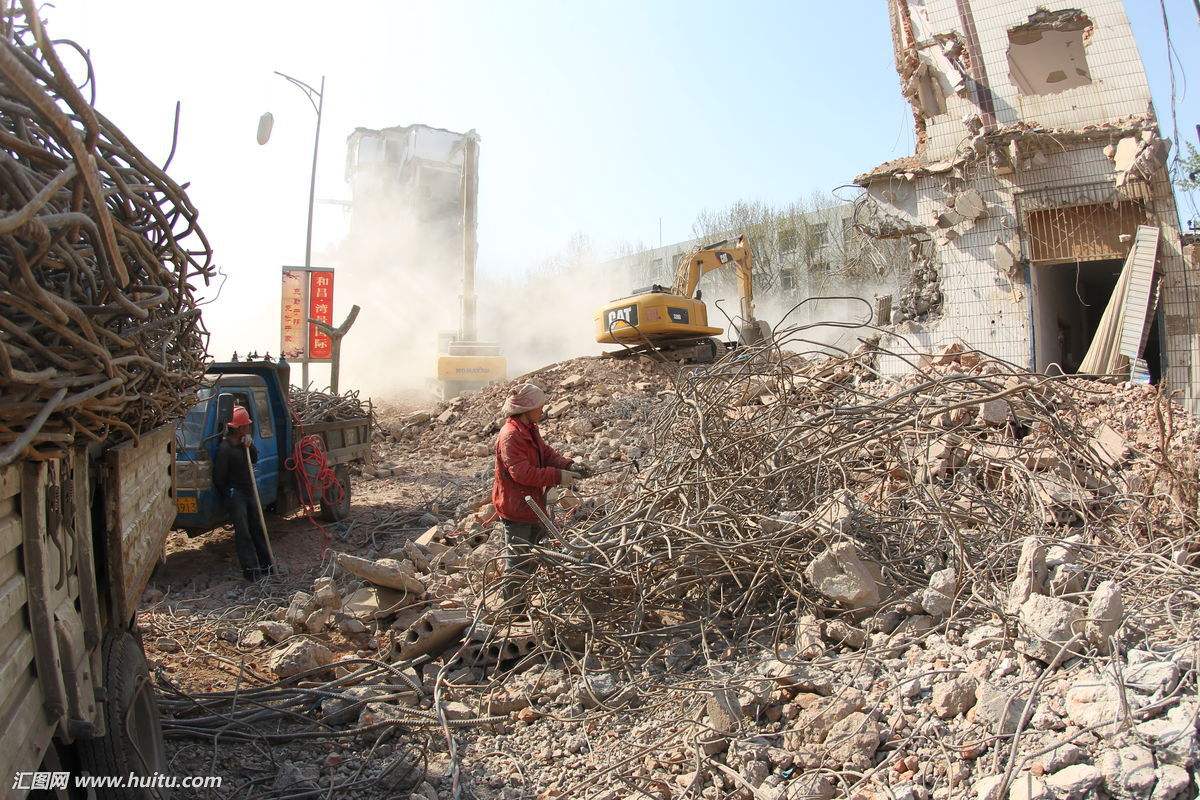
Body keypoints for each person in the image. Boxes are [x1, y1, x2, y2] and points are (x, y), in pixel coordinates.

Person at [492, 382, 588, 606]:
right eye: (539, 406)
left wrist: (569, 465)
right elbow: (522, 474)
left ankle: (521, 602)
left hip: (533, 505)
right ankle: (511, 611)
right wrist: (558, 476)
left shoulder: (529, 429)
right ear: (527, 409)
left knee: (533, 555)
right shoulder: (510, 436)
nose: (542, 410)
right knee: (517, 561)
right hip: (516, 509)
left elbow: (545, 453)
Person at [212, 405, 274, 580]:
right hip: (236, 494)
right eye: (246, 426)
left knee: (258, 528)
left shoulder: (243, 444)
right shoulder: (225, 449)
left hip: (249, 492)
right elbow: (219, 478)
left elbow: (254, 458)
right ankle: (251, 573)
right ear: (238, 428)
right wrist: (229, 495)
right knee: (244, 533)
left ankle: (267, 566)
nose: (249, 427)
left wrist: (250, 444)